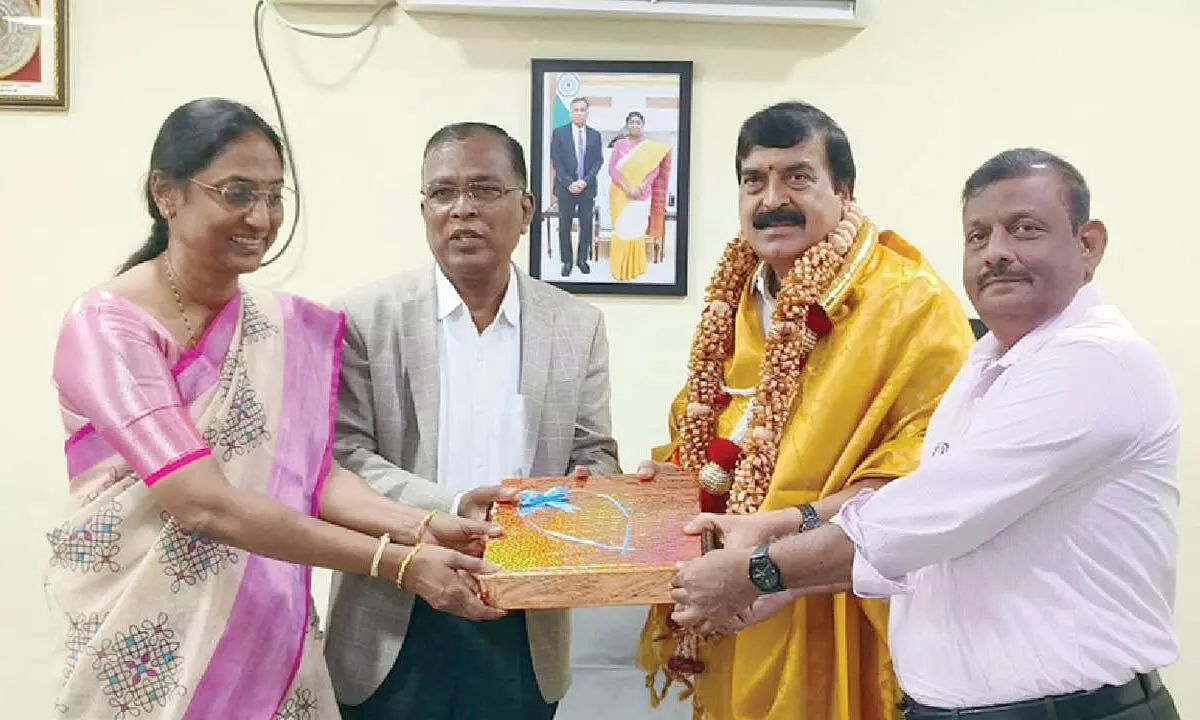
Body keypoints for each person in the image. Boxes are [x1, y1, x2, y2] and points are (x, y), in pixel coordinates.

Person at [669, 148, 1181, 720]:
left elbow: (926, 518)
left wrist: (758, 571)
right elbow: (925, 520)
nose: (998, 254)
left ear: (1088, 244)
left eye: (1026, 230)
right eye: (978, 237)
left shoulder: (1095, 362)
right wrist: (783, 546)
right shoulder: (984, 363)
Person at [42, 98, 506, 720]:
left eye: (274, 196)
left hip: (261, 629)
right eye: (237, 192)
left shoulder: (274, 326)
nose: (261, 218)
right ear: (166, 194)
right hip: (140, 641)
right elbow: (201, 502)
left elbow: (313, 477)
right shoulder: (108, 327)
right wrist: (396, 563)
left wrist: (424, 524)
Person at [633, 101, 977, 720]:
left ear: (843, 191)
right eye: (754, 179)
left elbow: (924, 479)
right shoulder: (734, 301)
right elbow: (709, 434)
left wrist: (777, 552)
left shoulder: (909, 303)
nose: (773, 198)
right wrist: (671, 483)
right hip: (732, 603)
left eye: (797, 176)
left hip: (839, 599)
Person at [323, 121, 621, 720]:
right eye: (442, 193)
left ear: (527, 207)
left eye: (485, 190)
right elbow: (344, 457)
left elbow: (595, 457)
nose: (462, 210)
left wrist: (583, 501)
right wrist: (454, 506)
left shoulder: (576, 324)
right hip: (394, 611)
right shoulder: (363, 317)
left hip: (522, 618)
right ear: (424, 206)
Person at [607, 110, 672, 281]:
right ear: (627, 125)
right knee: (621, 229)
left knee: (636, 230)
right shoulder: (619, 145)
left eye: (638, 122)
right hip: (620, 194)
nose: (634, 125)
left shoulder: (651, 148)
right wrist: (627, 188)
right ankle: (620, 268)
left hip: (642, 195)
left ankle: (635, 267)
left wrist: (641, 187)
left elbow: (654, 170)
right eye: (632, 122)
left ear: (643, 126)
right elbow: (612, 169)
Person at [549, 97, 603, 276]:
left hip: (587, 188)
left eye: (583, 110)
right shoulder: (559, 133)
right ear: (571, 112)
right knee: (565, 226)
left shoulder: (595, 135)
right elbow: (556, 161)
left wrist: (585, 181)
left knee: (586, 225)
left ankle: (582, 260)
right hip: (566, 188)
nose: (579, 113)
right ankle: (566, 261)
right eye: (576, 110)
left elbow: (598, 161)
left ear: (587, 113)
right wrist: (569, 183)